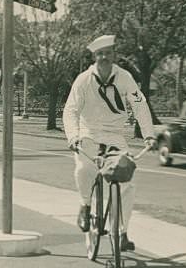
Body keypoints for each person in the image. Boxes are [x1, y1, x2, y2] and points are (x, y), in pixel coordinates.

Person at [62, 34, 156, 251]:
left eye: (108, 53)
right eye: (100, 54)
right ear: (94, 56)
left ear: (114, 55)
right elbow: (71, 110)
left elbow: (139, 104)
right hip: (88, 133)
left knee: (127, 182)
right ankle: (85, 205)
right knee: (84, 168)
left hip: (115, 136)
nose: (104, 57)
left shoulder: (125, 78)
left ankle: (122, 233)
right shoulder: (83, 80)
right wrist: (73, 136)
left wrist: (148, 134)